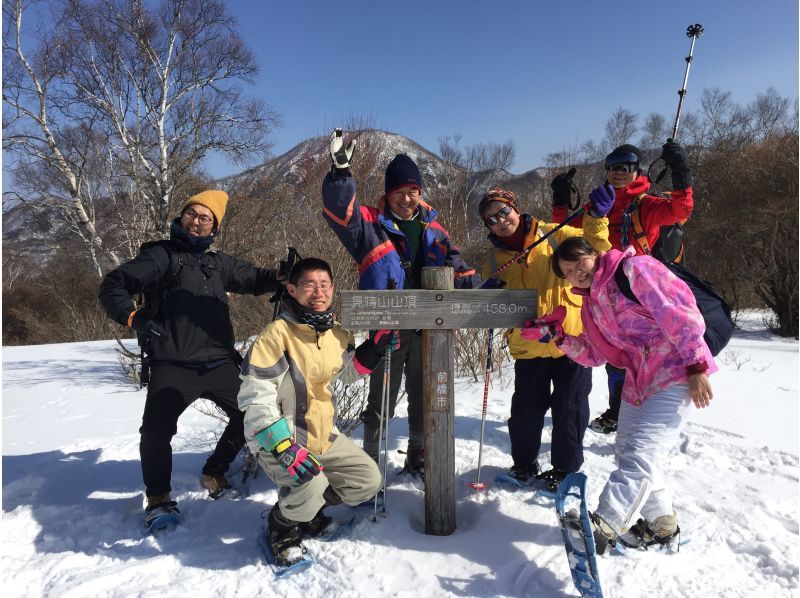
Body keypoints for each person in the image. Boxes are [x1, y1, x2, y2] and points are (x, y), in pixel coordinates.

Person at [98, 190, 282, 528]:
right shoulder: (161, 256)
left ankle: (214, 471)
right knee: (155, 432)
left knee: (251, 415)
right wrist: (131, 317)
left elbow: (254, 278)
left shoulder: (218, 262)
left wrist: (282, 277)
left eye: (205, 218)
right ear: (181, 217)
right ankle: (159, 499)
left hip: (220, 362)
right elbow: (115, 283)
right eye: (191, 214)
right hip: (173, 362)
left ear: (214, 228)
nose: (196, 221)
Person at [526, 236, 715, 551]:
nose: (577, 273)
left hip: (674, 371)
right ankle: (662, 524)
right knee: (629, 451)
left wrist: (697, 366)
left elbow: (680, 313)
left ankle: (606, 523)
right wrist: (557, 336)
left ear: (593, 253)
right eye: (568, 271)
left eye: (579, 262)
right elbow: (595, 355)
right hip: (638, 380)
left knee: (641, 453)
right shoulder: (592, 303)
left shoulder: (635, 269)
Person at [321, 129, 480, 476]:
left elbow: (456, 263)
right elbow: (339, 214)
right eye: (399, 192)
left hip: (429, 327)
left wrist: (475, 282)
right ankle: (371, 462)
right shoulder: (369, 226)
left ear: (419, 193)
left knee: (424, 396)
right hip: (388, 329)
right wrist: (340, 174)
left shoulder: (435, 228)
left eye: (412, 192)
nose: (406, 199)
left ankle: (418, 453)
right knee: (381, 400)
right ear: (387, 194)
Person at [237, 257, 388, 566]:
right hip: (281, 439)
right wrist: (282, 445)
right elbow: (256, 396)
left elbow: (344, 372)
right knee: (312, 481)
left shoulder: (335, 333)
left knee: (368, 480)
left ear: (332, 288)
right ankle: (282, 526)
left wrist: (373, 349)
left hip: (321, 434)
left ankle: (307, 508)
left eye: (324, 285)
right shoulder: (276, 336)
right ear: (292, 289)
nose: (318, 292)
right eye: (309, 286)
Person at [552, 141, 695, 435]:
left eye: (625, 166)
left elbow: (680, 210)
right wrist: (560, 199)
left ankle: (645, 412)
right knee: (614, 354)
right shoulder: (599, 201)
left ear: (637, 170)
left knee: (644, 352)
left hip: (638, 292)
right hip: (601, 289)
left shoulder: (645, 203)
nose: (617, 172)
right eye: (612, 166)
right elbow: (566, 229)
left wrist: (681, 173)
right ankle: (623, 410)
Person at [478, 188, 612, 491]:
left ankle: (565, 471)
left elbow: (595, 248)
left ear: (515, 209)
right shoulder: (493, 257)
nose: (500, 221)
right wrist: (486, 298)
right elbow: (495, 301)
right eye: (491, 219)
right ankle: (524, 465)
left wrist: (598, 217)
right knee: (525, 410)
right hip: (528, 346)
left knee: (570, 408)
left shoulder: (555, 235)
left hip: (573, 339)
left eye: (503, 212)